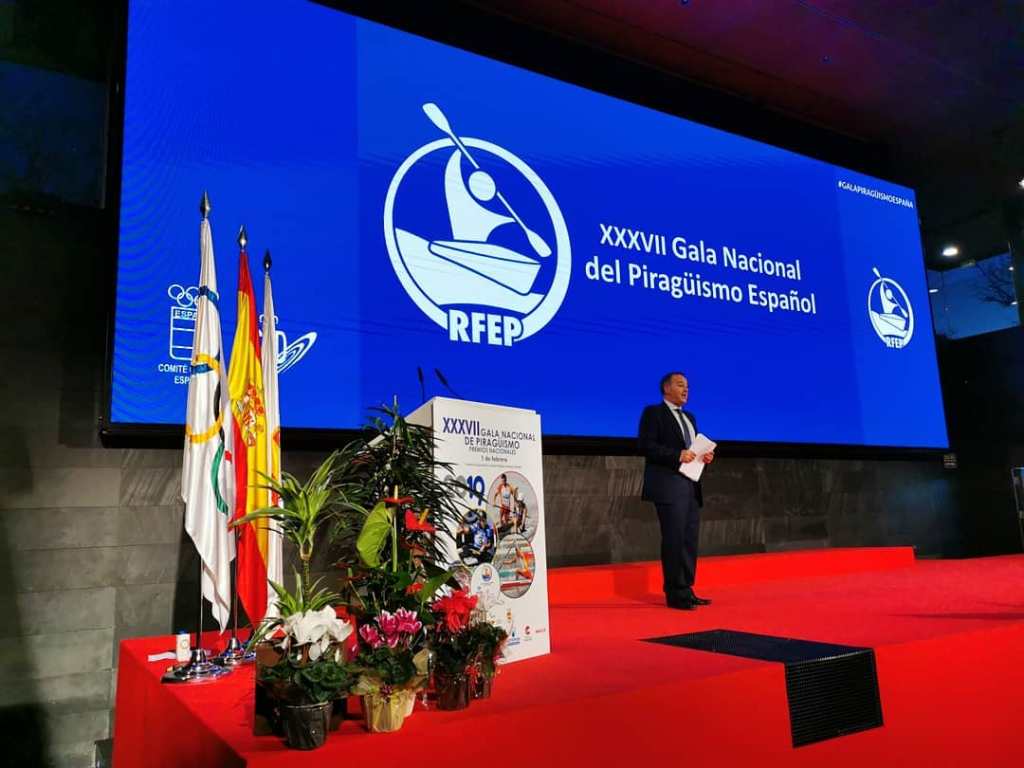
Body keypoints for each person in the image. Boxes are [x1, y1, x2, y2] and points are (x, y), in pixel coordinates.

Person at [638, 372, 714, 610]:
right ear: (666, 388)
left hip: (691, 485)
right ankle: (674, 593)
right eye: (680, 385)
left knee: (689, 540)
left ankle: (686, 589)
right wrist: (676, 455)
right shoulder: (654, 413)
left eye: (688, 386)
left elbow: (691, 450)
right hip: (668, 485)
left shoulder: (690, 417)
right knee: (674, 539)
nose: (686, 389)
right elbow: (646, 446)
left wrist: (703, 456)